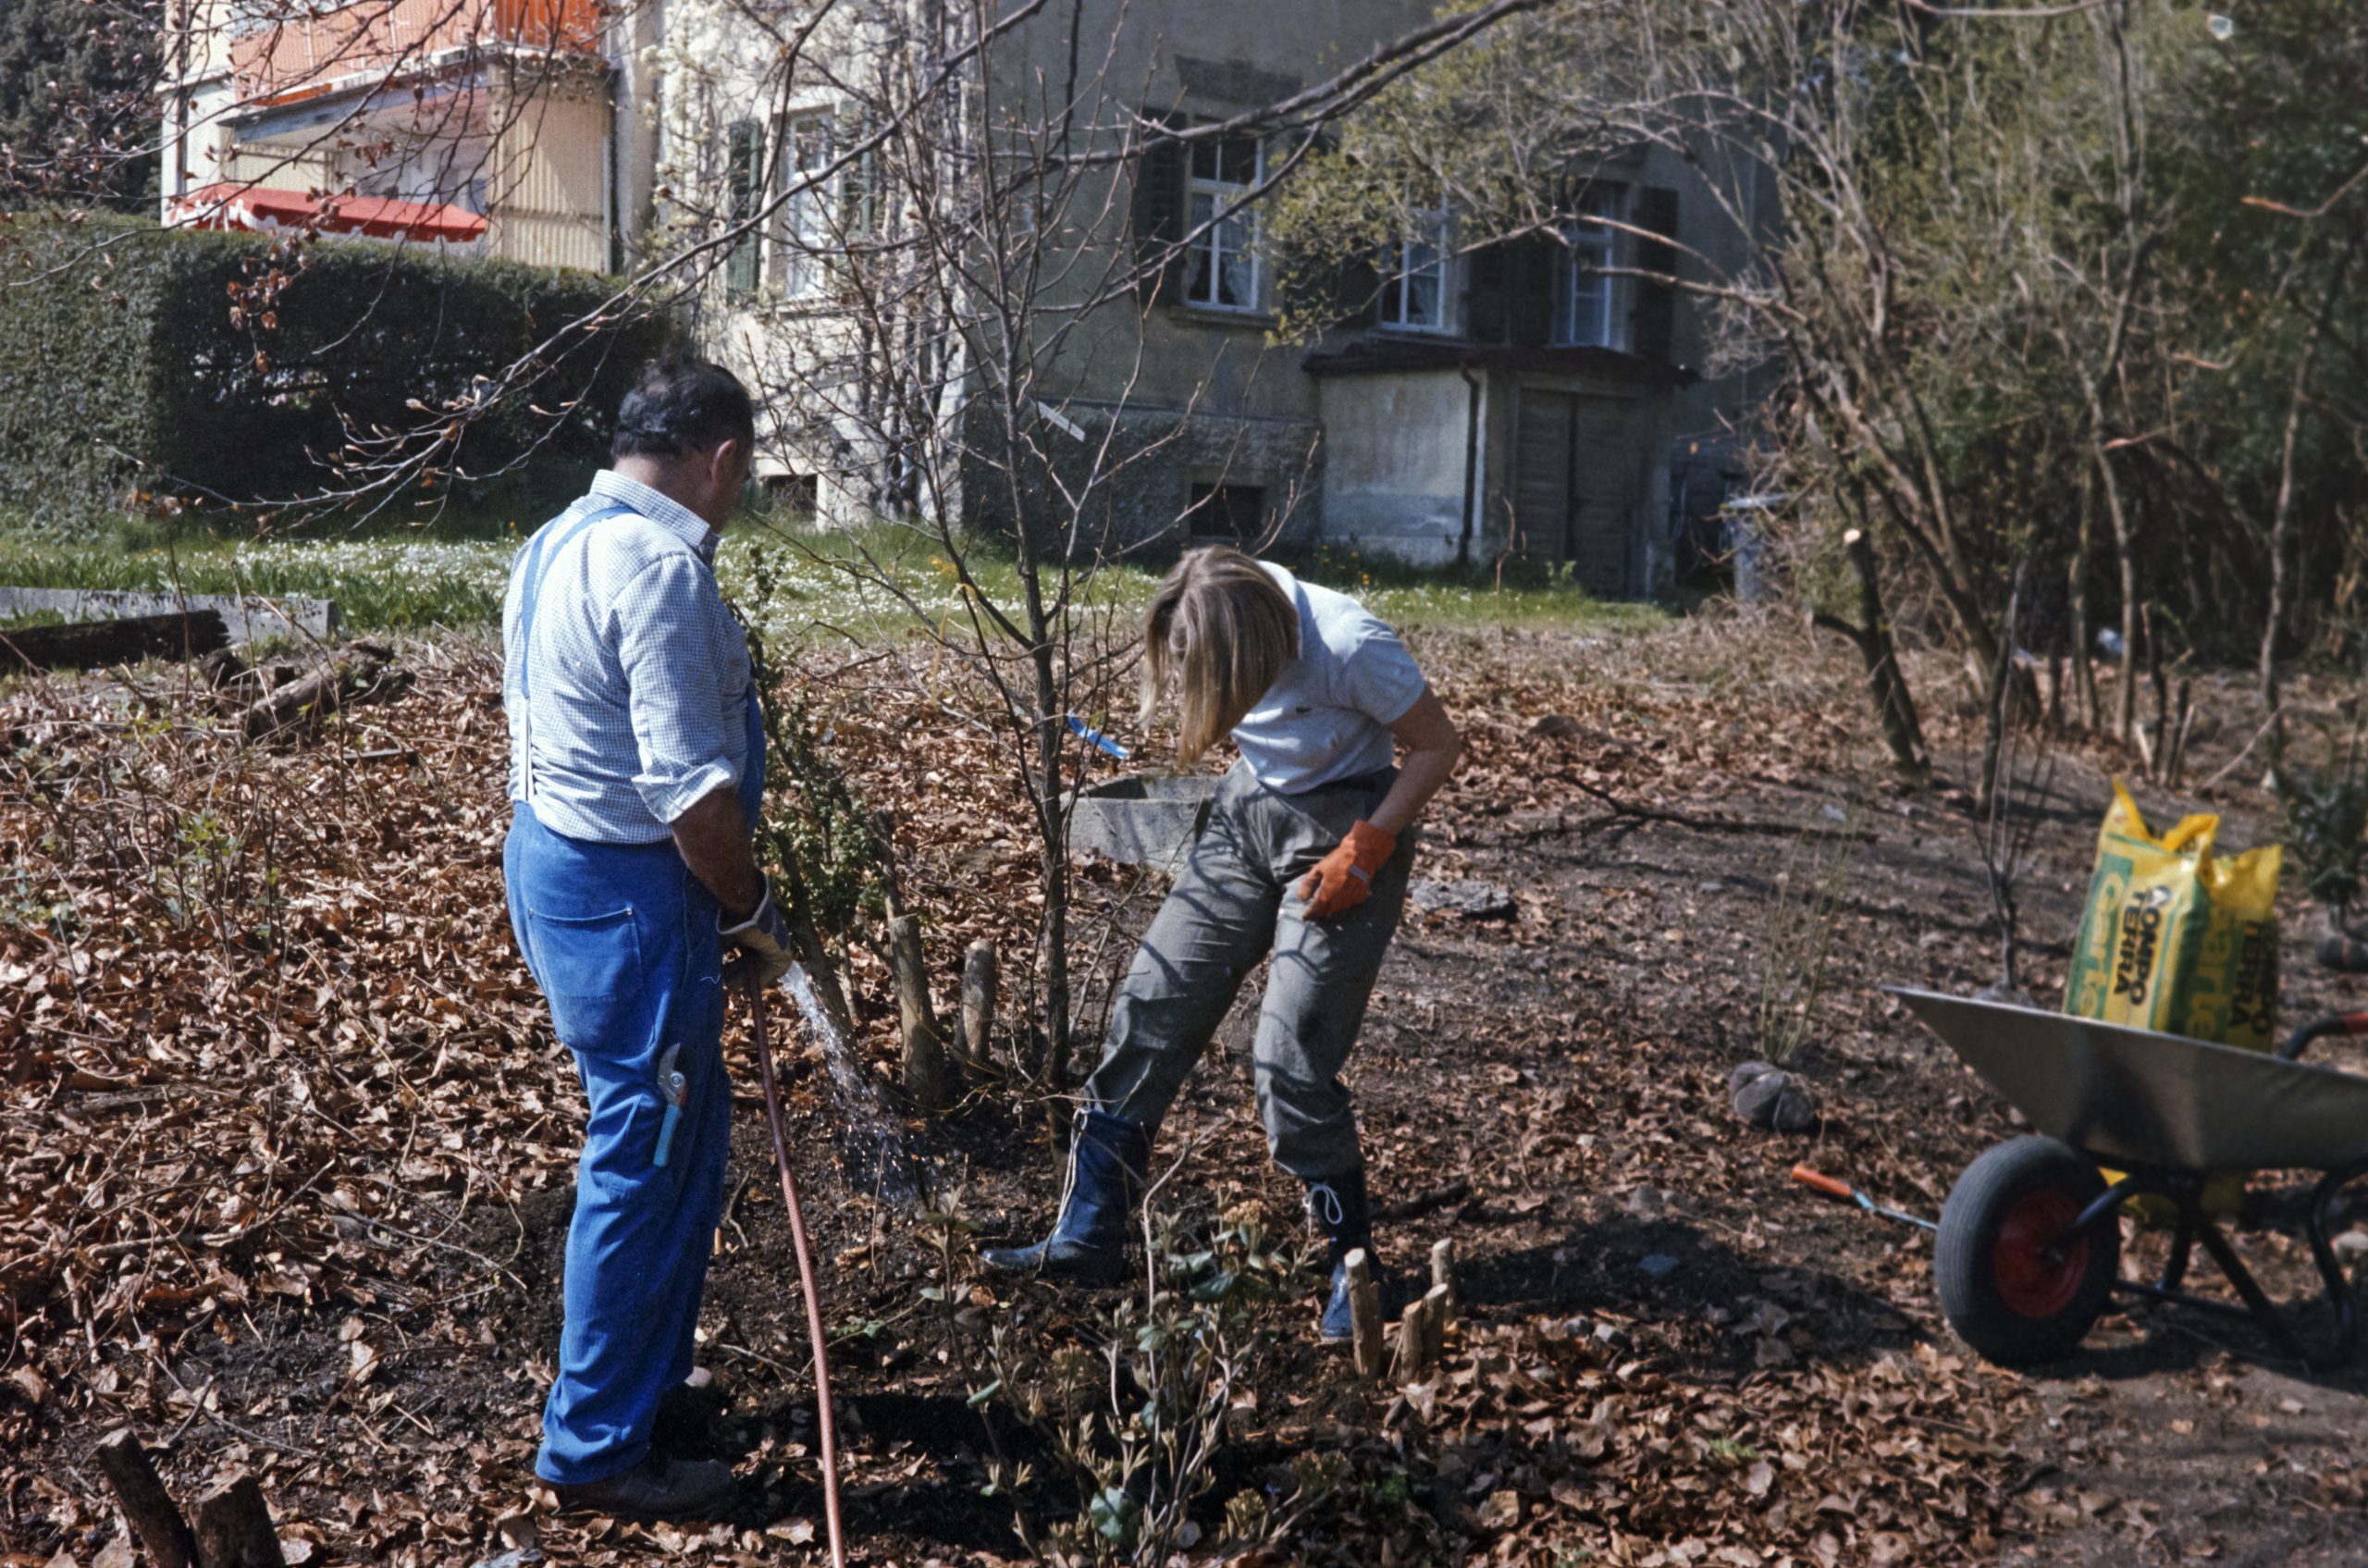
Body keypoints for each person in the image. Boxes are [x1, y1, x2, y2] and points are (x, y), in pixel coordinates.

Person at [983, 544, 1462, 1339]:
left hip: (1347, 821)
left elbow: (1439, 745)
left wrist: (1369, 846)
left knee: (1290, 1054)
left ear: (1258, 648)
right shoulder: (1209, 618)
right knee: (1153, 999)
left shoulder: (1350, 643)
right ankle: (1089, 1232)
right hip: (1246, 815)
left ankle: (1352, 1267)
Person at [501, 358, 795, 1517]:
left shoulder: (556, 538)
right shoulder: (657, 569)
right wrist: (749, 909)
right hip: (631, 897)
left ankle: (646, 1384)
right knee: (643, 1148)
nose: (742, 491)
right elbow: (689, 797)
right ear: (720, 459)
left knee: (682, 1135)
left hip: (561, 868)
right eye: (745, 473)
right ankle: (595, 1449)